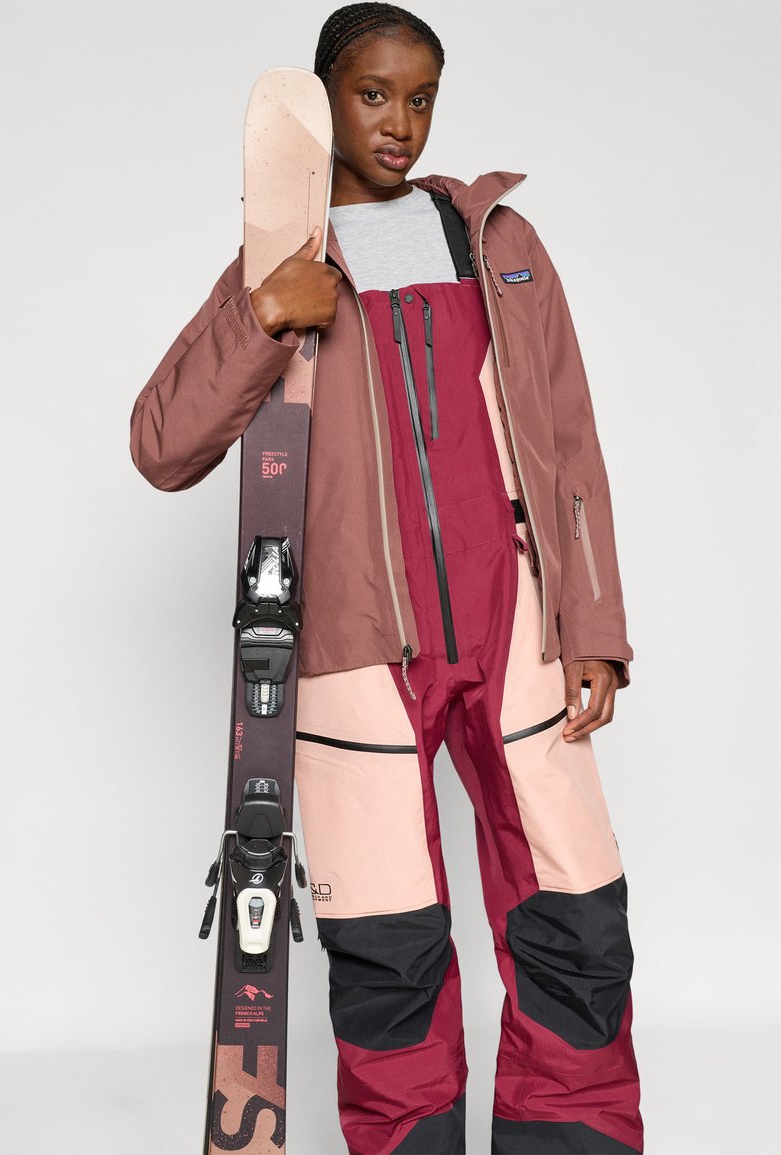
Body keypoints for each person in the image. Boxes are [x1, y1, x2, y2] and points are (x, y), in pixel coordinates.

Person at [130, 4, 643, 1152]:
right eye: (372, 95)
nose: (399, 123)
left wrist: (593, 624)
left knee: (574, 915)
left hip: (517, 633)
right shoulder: (281, 261)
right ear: (322, 100)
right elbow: (161, 445)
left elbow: (569, 443)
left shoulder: (498, 243)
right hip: (353, 653)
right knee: (388, 947)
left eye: (420, 98)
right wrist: (268, 315)